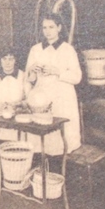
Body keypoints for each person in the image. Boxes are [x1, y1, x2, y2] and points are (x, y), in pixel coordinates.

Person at [24, 13, 82, 163]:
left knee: (61, 138)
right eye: (44, 28)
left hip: (63, 97)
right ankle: (43, 168)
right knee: (42, 138)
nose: (47, 31)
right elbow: (29, 79)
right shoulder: (35, 49)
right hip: (42, 96)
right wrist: (31, 70)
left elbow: (77, 77)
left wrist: (57, 72)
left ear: (59, 28)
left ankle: (61, 168)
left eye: (51, 27)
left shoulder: (67, 49)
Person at [0, 50, 27, 142]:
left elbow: (29, 98)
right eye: (4, 59)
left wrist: (18, 104)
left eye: (11, 59)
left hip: (18, 110)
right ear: (0, 60)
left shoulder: (23, 76)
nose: (8, 62)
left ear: (15, 60)